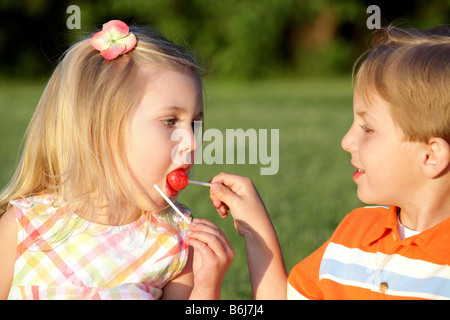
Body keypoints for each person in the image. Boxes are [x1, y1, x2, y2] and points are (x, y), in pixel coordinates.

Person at [209, 25, 450, 299]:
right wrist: (255, 228)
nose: (346, 141)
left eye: (368, 128)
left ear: (431, 156)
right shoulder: (353, 235)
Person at [0, 20, 234, 300]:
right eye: (170, 121)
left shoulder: (175, 242)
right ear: (100, 129)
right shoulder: (24, 224)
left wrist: (207, 288)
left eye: (194, 124)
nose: (193, 142)